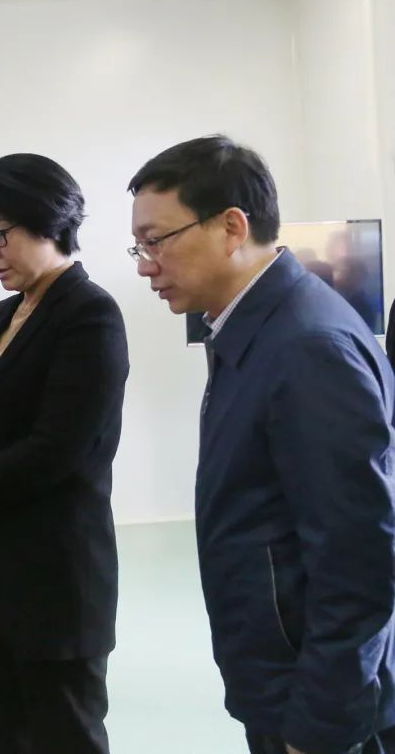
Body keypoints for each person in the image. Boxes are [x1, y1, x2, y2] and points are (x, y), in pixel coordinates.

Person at [129, 134, 395, 754]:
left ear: (231, 227)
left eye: (157, 241)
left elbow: (359, 561)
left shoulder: (307, 347)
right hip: (281, 681)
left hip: (322, 706)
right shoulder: (252, 328)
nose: (145, 265)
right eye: (139, 247)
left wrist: (321, 724)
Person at [0, 153, 129, 753]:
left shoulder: (90, 314)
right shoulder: (7, 312)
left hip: (53, 573)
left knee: (64, 737)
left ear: (49, 220)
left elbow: (59, 447)